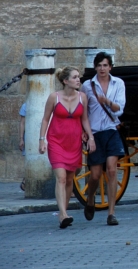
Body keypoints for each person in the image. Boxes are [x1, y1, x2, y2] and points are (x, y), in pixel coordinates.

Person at [38, 67, 95, 228]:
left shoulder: (82, 97)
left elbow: (84, 119)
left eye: (79, 77)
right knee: (61, 177)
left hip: (74, 142)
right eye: (75, 77)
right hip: (56, 141)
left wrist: (90, 137)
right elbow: (45, 119)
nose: (78, 80)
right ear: (65, 81)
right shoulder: (53, 98)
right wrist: (42, 140)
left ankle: (65, 210)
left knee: (70, 178)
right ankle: (62, 214)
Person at [83, 51, 126, 226]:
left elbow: (119, 109)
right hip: (94, 133)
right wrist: (85, 133)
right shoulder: (87, 86)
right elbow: (83, 112)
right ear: (95, 67)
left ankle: (111, 212)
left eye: (105, 65)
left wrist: (107, 101)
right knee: (94, 175)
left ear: (110, 67)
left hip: (111, 130)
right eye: (99, 65)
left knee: (112, 170)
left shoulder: (118, 84)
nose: (102, 68)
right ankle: (91, 197)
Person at [19, 102, 26, 191]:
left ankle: (25, 181)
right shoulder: (26, 105)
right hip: (30, 136)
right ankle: (25, 180)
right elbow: (22, 123)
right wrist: (21, 139)